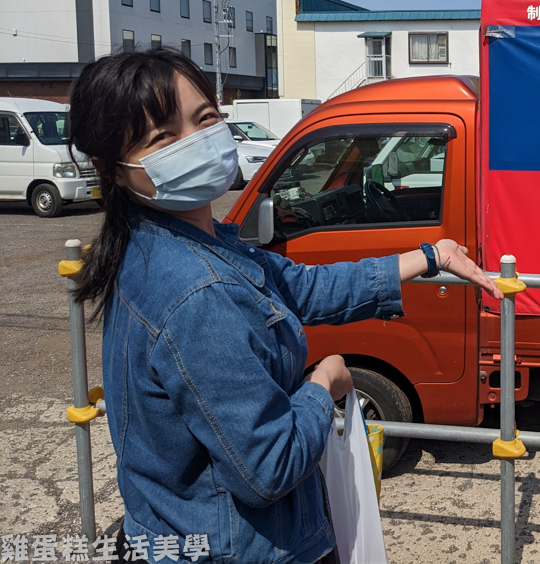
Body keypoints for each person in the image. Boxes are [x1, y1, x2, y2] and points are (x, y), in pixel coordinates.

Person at [67, 49, 502, 564]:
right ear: (112, 169)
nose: (197, 142)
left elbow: (302, 287)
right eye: (163, 137)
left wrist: (430, 256)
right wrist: (325, 385)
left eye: (204, 119)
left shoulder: (169, 246)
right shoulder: (200, 292)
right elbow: (269, 466)